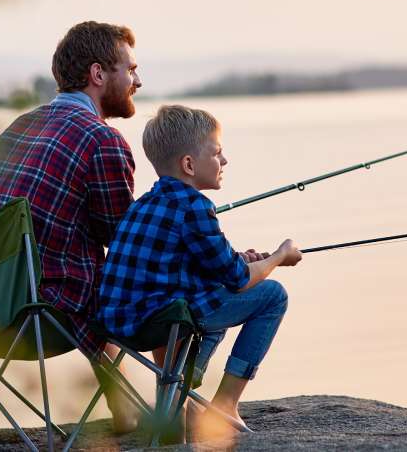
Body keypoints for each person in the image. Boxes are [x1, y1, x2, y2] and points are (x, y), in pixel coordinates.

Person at [0, 21, 142, 432]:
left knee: (86, 271)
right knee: (145, 276)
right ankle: (172, 411)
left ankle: (125, 408)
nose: (138, 80)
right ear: (98, 74)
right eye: (130, 69)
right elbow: (123, 243)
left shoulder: (18, 127)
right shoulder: (102, 140)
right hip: (39, 314)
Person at [96, 104, 302, 434]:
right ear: (189, 164)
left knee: (211, 292)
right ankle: (224, 404)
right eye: (218, 153)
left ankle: (182, 398)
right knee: (272, 296)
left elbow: (191, 260)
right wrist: (279, 256)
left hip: (119, 325)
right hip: (163, 322)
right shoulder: (195, 206)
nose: (224, 161)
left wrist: (241, 258)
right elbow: (237, 278)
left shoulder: (142, 204)